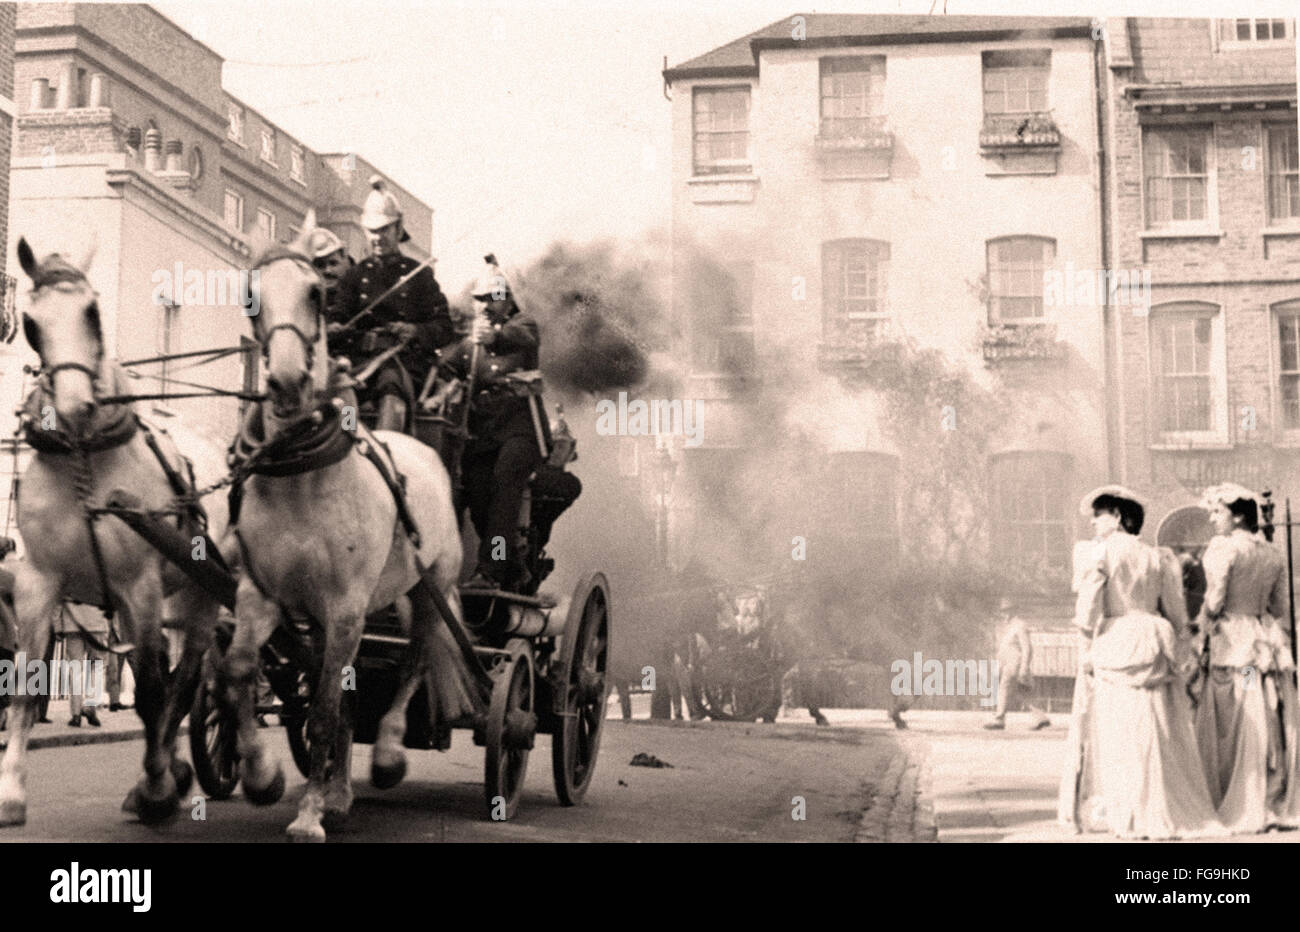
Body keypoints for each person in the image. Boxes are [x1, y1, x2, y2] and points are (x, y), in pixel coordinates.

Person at [1057, 485, 1225, 839]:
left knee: (1119, 726)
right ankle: (1159, 801)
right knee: (1158, 722)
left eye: (1098, 516)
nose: (1093, 523)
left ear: (1117, 516)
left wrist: (1086, 641)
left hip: (1117, 637)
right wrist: (1178, 637)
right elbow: (1177, 613)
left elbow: (1089, 609)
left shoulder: (1099, 554)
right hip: (1151, 635)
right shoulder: (1157, 556)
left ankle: (1127, 806)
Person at [429, 256, 544, 590]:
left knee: (504, 483)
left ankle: (491, 570)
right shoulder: (469, 346)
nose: (485, 306)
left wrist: (494, 335)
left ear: (506, 300)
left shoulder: (521, 327)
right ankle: (511, 561)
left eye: (493, 299)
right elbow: (445, 367)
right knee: (479, 501)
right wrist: (442, 386)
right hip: (482, 433)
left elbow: (523, 335)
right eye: (480, 299)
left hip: (521, 430)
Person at [1193, 483, 1295, 833]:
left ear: (1237, 516)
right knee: (1263, 708)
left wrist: (1203, 624)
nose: (1212, 519)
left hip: (1235, 643)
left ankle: (1242, 795)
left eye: (1217, 512)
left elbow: (1216, 598)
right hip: (1260, 639)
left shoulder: (1224, 549)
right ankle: (1268, 790)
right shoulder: (1272, 553)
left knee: (1240, 709)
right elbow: (1280, 607)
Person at [328, 176, 455, 432]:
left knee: (390, 383)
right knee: (343, 391)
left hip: (404, 362)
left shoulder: (419, 275)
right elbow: (338, 313)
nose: (377, 238)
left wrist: (415, 331)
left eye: (384, 230)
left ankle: (390, 449)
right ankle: (348, 441)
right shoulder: (354, 276)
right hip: (358, 360)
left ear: (398, 229)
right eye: (372, 231)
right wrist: (333, 326)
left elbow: (444, 327)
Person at [985, 597, 1050, 730]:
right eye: (1003, 611)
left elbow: (1027, 647)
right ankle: (1040, 718)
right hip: (1008, 662)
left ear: (1015, 610)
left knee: (1004, 687)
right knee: (1023, 691)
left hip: (1015, 663)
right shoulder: (1007, 627)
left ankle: (999, 719)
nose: (1005, 614)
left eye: (1008, 610)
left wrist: (1024, 667)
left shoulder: (1020, 625)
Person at [56, 602, 105, 728]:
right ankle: (91, 705)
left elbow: (58, 600)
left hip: (72, 624)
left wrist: (57, 625)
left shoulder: (68, 580)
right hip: (96, 623)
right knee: (96, 666)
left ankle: (76, 714)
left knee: (75, 669)